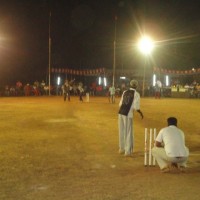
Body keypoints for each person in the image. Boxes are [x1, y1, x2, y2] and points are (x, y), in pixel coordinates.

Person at [118, 80, 144, 156]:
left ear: (130, 85)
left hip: (120, 113)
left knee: (121, 131)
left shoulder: (125, 92)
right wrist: (140, 113)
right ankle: (127, 151)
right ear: (136, 86)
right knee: (128, 132)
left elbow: (120, 104)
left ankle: (121, 149)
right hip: (128, 114)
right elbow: (136, 107)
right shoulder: (136, 94)